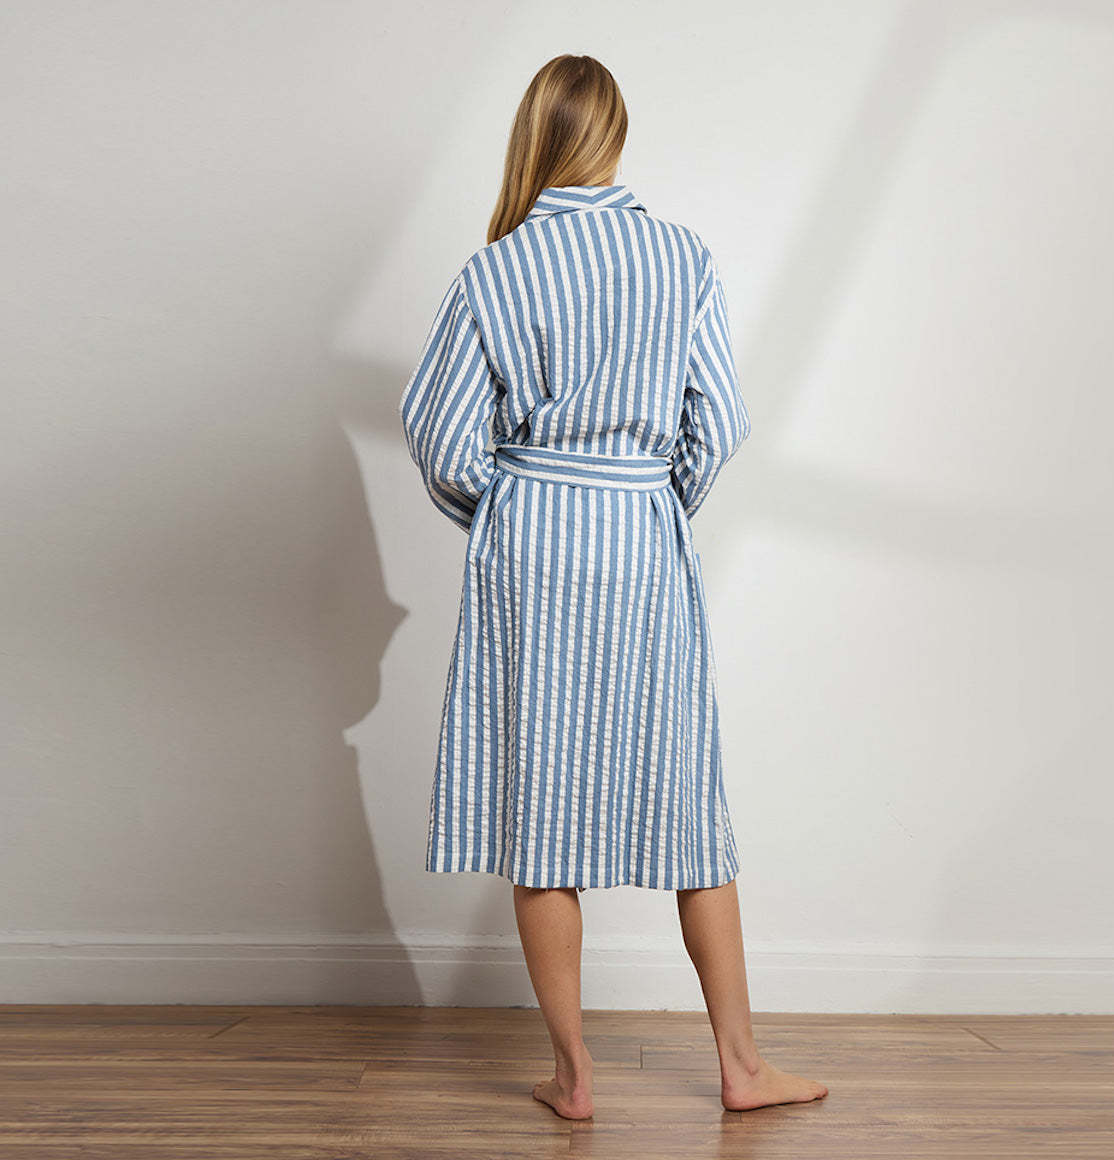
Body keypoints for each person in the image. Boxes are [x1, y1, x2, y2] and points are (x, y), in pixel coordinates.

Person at [399, 53, 828, 1120]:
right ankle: (741, 1067)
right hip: (641, 538)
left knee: (543, 804)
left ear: (531, 138)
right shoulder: (681, 257)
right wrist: (648, 499)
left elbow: (438, 434)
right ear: (615, 136)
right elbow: (718, 422)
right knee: (689, 798)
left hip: (532, 543)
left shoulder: (494, 272)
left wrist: (511, 505)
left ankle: (574, 1075)